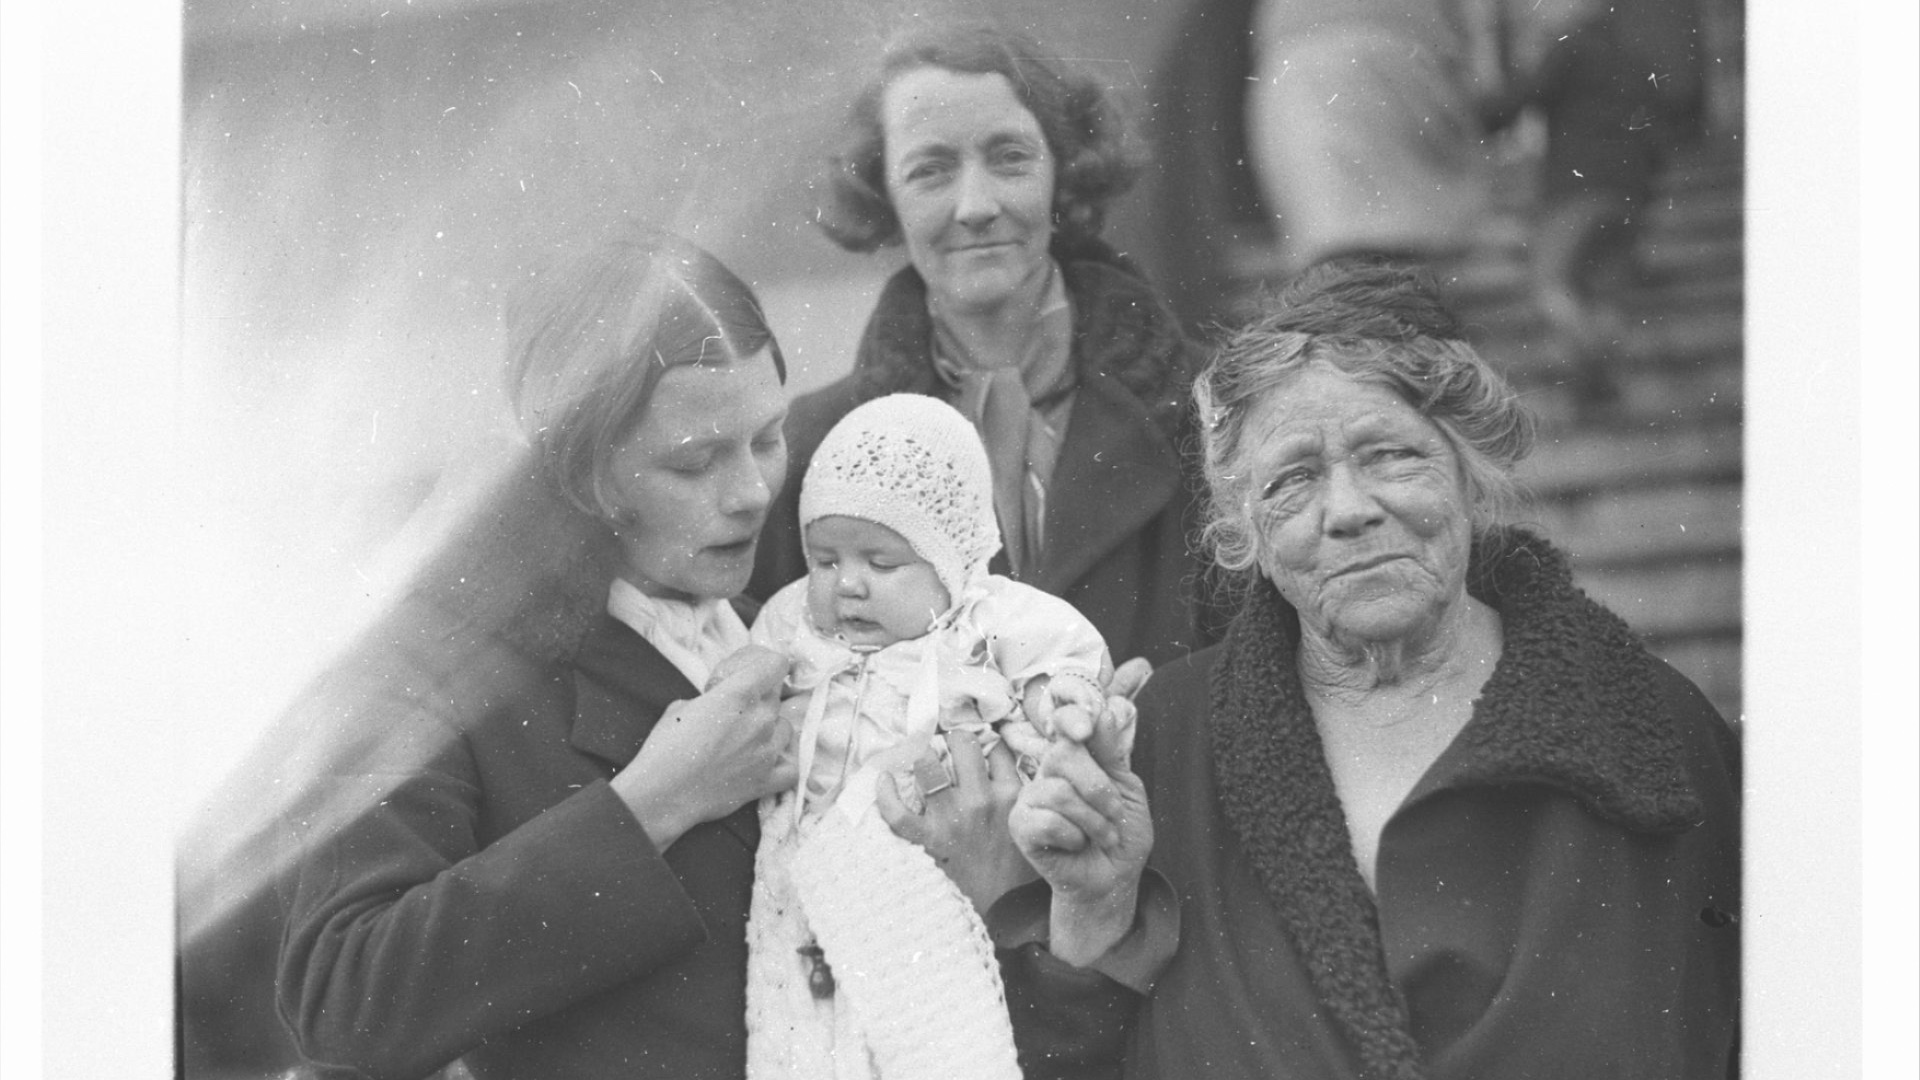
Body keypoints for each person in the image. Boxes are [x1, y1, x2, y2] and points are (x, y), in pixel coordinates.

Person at [268, 229, 1160, 1080]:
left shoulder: (802, 629)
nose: (752, 493)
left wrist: (1027, 893)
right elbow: (342, 993)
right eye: (695, 463)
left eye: (768, 437)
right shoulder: (435, 666)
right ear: (581, 470)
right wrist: (652, 803)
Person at [1104, 259, 1740, 1077]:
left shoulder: (1656, 731)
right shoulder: (1162, 743)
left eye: (1390, 455)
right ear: (1245, 532)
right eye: (1294, 479)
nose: (1348, 510)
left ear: (1472, 475)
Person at [750, 23, 1221, 667]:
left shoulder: (1211, 409)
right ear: (883, 193)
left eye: (1009, 158)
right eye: (930, 171)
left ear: (1064, 171)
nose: (976, 205)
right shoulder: (814, 445)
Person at [744, 393, 1116, 1080]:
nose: (848, 585)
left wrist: (1053, 698)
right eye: (824, 560)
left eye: (882, 564)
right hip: (808, 861)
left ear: (949, 563)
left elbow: (1058, 655)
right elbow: (748, 678)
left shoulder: (981, 619)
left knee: (931, 1027)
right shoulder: (793, 620)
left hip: (929, 862)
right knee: (802, 1023)